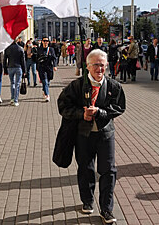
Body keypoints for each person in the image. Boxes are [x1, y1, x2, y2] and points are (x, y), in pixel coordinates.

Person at [57, 49, 126, 224]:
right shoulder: (76, 86)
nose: (99, 69)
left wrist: (101, 112)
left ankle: (106, 209)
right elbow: (63, 106)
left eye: (102, 65)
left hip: (105, 135)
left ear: (107, 66)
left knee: (108, 171)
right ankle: (87, 201)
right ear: (87, 66)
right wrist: (81, 114)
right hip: (83, 135)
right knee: (85, 169)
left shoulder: (113, 86)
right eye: (95, 65)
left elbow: (119, 107)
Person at [3, 37, 26, 106]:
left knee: (12, 83)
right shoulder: (20, 49)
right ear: (17, 40)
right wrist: (24, 70)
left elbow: (4, 60)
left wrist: (5, 69)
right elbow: (23, 61)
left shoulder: (7, 49)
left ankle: (12, 99)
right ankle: (16, 100)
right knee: (17, 84)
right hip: (18, 67)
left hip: (10, 67)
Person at [37, 37, 58, 102]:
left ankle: (44, 90)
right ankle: (47, 95)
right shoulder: (39, 49)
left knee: (48, 82)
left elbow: (54, 58)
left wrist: (55, 66)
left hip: (49, 67)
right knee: (45, 81)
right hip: (42, 67)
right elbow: (36, 59)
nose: (45, 42)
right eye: (44, 41)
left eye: (47, 41)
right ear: (42, 42)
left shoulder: (51, 49)